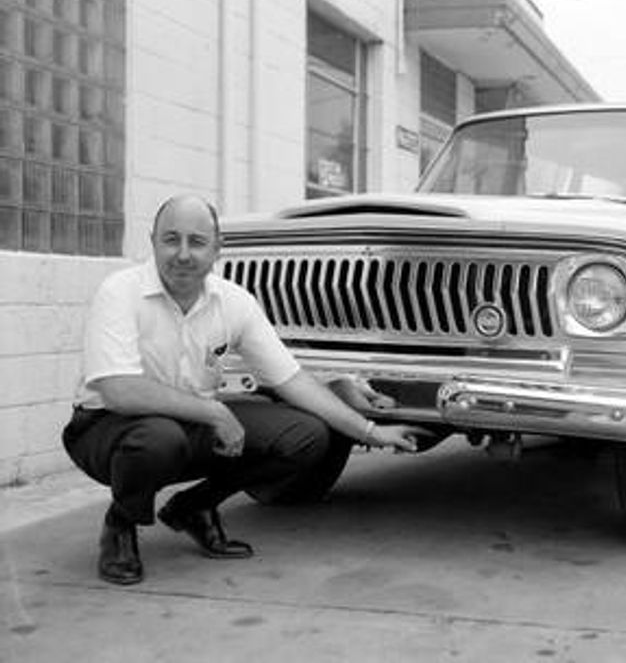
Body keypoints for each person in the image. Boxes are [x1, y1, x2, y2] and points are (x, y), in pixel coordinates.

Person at [63, 194, 424, 585]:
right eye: (171, 239)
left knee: (306, 436)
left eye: (197, 242)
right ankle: (120, 525)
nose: (183, 254)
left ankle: (195, 508)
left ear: (218, 249)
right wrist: (216, 413)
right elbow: (119, 391)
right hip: (107, 427)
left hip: (187, 422)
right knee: (158, 438)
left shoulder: (234, 302)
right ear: (152, 241)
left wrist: (372, 432)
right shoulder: (119, 291)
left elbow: (293, 380)